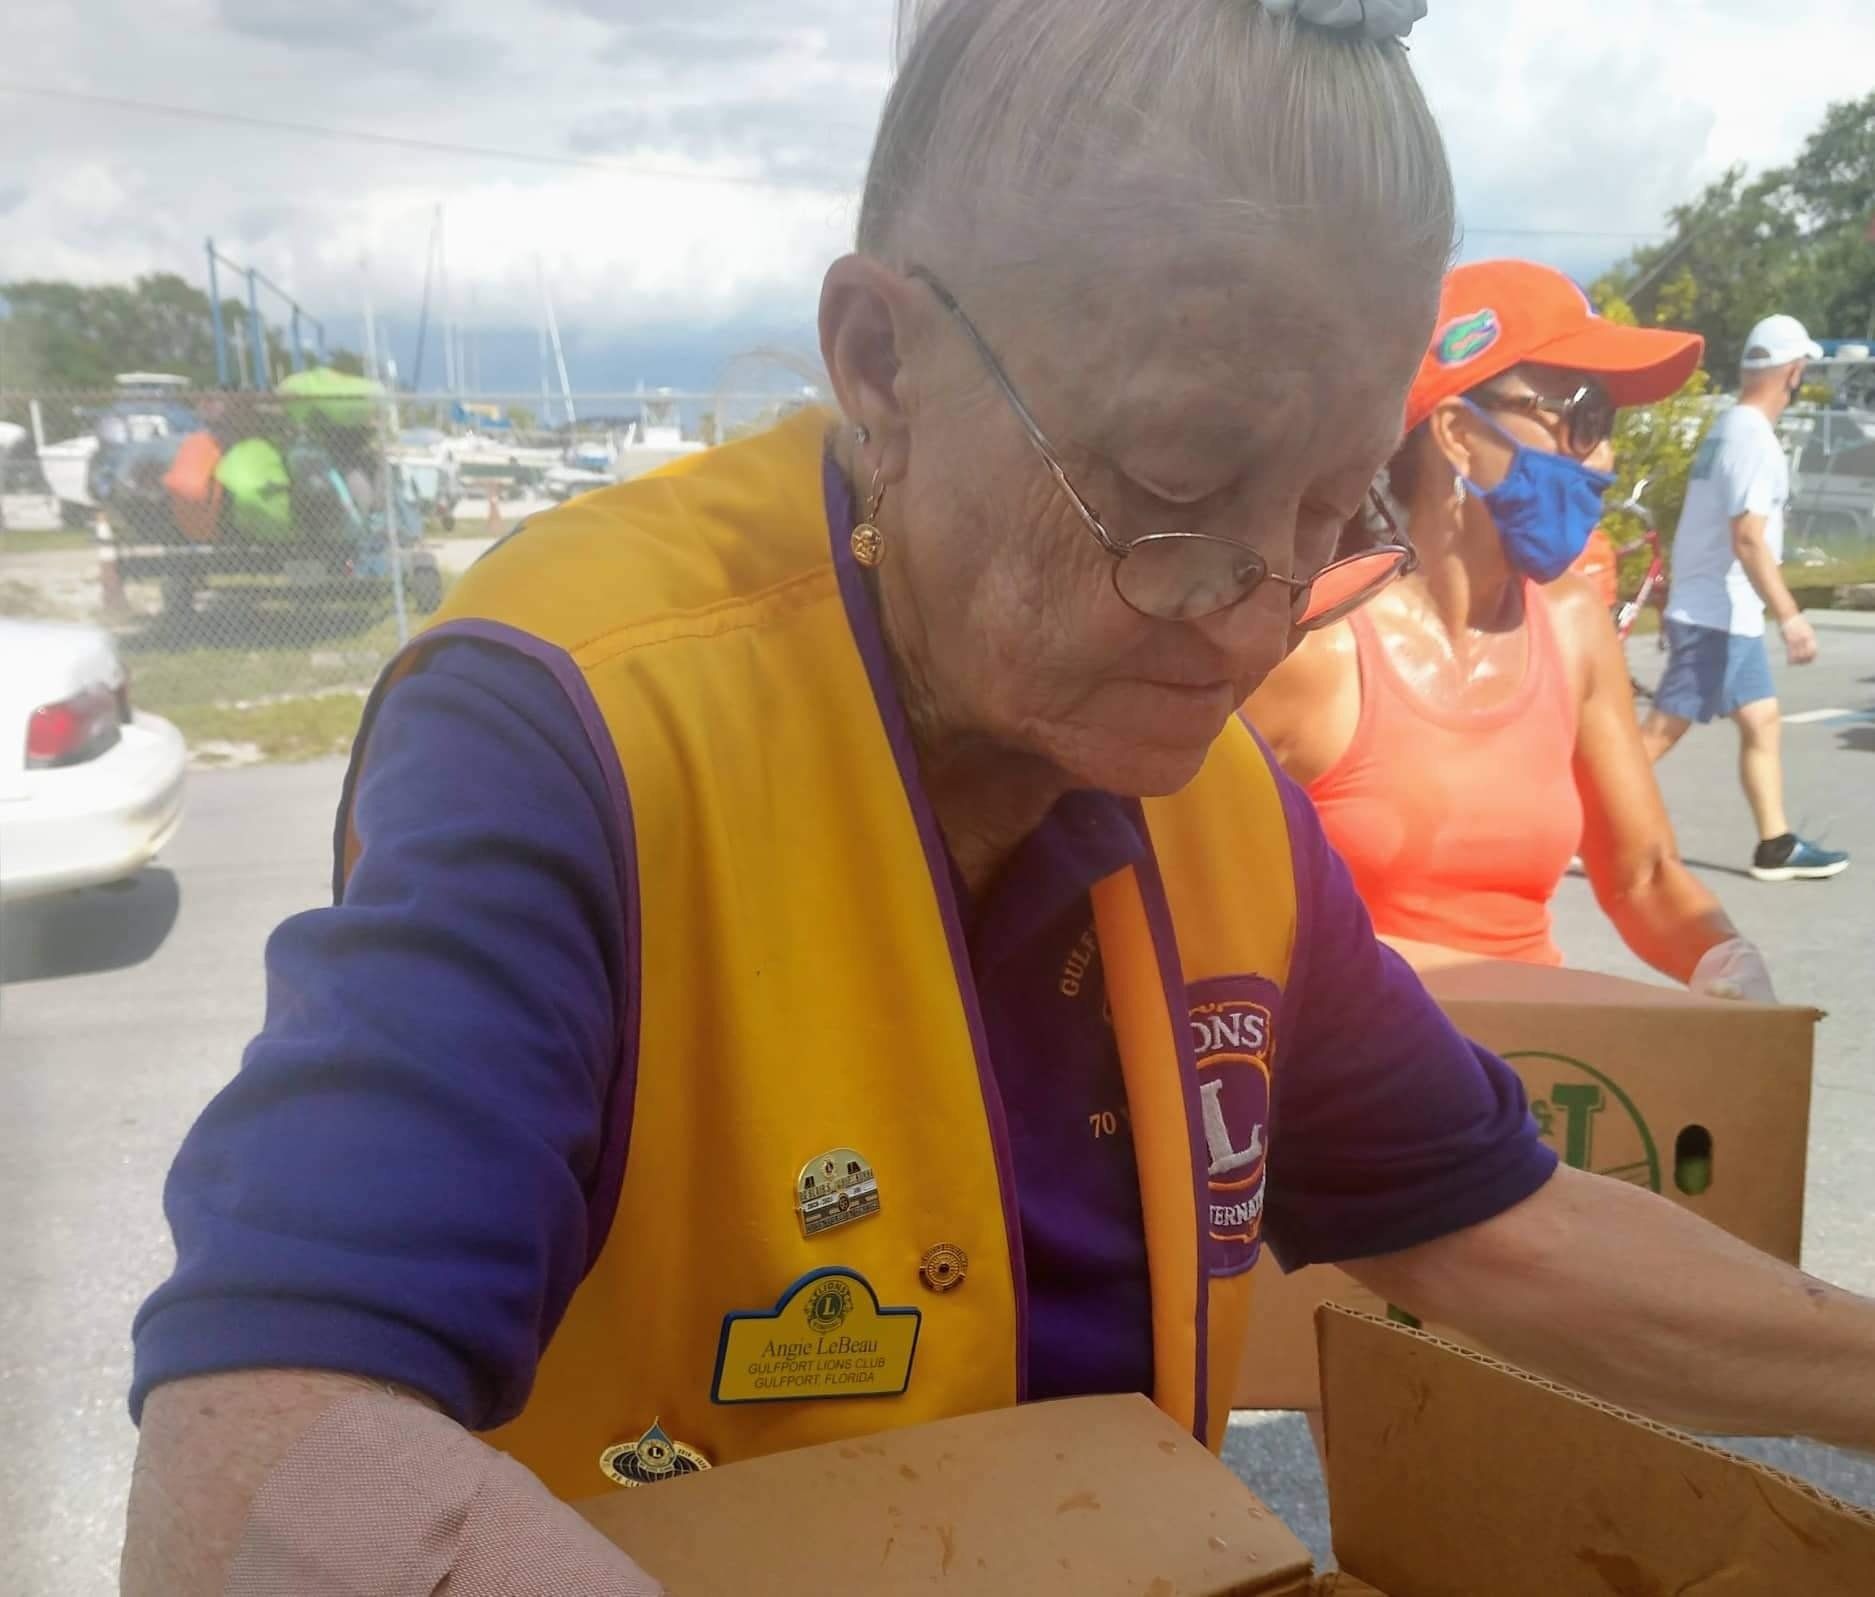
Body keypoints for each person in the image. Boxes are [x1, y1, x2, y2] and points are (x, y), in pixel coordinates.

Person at [123, 7, 1874, 1595]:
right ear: (881, 361)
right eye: (1176, 485)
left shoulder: (1213, 802)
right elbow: (257, 1450)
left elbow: (1503, 1222)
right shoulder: (577, 723)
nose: (1256, 607)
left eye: (1336, 513)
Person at [1245, 260, 1773, 998]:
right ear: (1459, 434)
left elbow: (1643, 875)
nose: (1605, 457)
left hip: (1535, 1080)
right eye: (1584, 416)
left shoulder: (1573, 628)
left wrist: (1724, 959)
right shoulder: (1319, 648)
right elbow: (1189, 903)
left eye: (1609, 425)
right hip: (1351, 1085)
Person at [1640, 314, 1850, 882]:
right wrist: (1791, 615)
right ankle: (1579, 827)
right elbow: (1748, 536)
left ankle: (1775, 845)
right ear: (1794, 372)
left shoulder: (1726, 427)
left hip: (1725, 613)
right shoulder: (1752, 439)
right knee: (1658, 736)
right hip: (1716, 617)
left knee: (1762, 720)